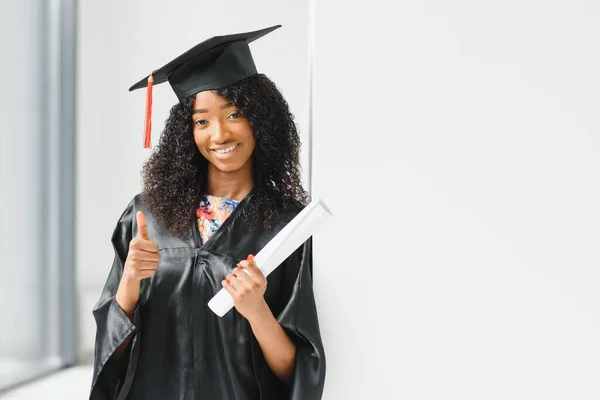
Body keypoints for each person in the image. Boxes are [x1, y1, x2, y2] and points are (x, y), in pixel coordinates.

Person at [90, 25, 326, 400]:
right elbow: (111, 360)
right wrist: (130, 284)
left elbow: (295, 372)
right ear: (187, 132)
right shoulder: (146, 215)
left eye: (234, 114)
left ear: (261, 118)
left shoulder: (286, 226)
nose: (218, 134)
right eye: (202, 121)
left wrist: (257, 310)